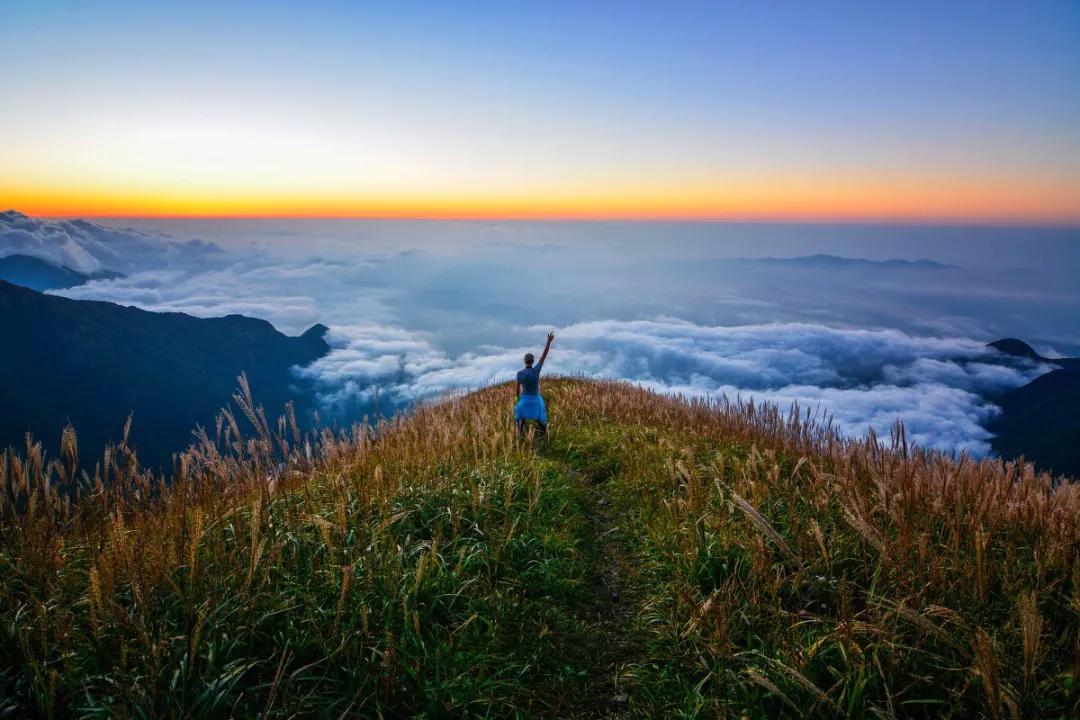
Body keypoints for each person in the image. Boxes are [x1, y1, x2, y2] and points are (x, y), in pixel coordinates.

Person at [515, 331, 554, 437]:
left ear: (524, 361)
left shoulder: (519, 374)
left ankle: (520, 431)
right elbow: (544, 355)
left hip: (524, 400)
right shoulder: (536, 370)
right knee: (539, 415)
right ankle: (544, 431)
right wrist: (548, 342)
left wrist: (518, 399)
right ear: (532, 361)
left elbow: (517, 391)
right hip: (536, 399)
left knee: (520, 413)